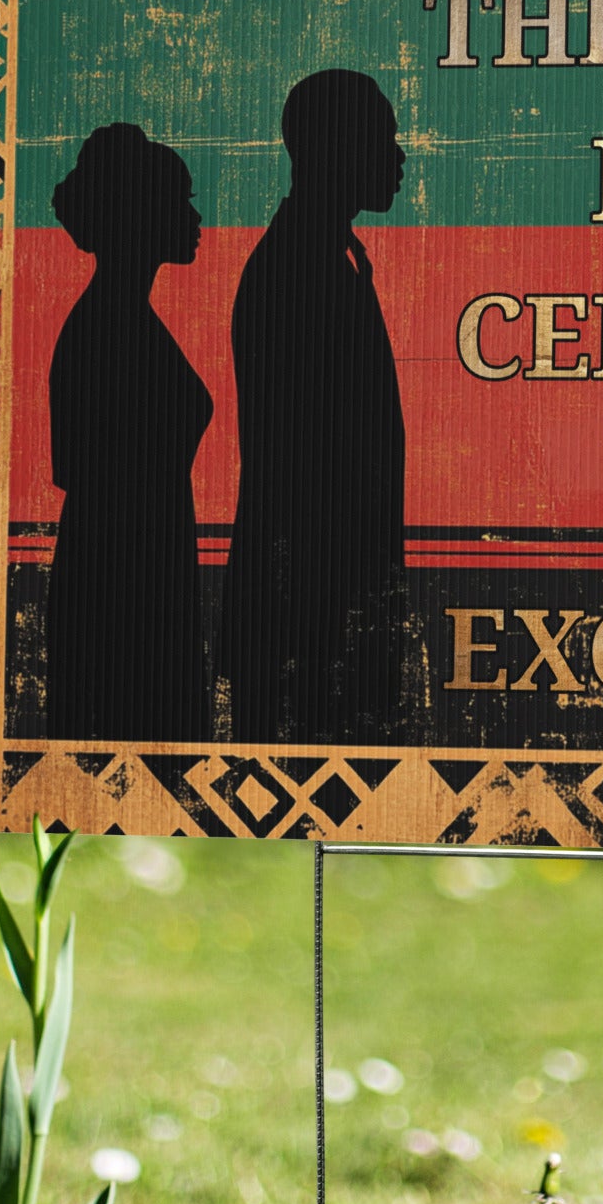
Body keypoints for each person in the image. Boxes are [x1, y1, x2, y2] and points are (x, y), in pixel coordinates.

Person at [218, 69, 407, 740]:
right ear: (336, 148)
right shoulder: (300, 267)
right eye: (383, 138)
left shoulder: (333, 257)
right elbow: (308, 463)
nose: (399, 156)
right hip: (305, 602)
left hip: (329, 594)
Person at [44, 124, 214, 740]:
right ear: (140, 213)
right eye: (181, 199)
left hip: (146, 563)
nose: (196, 217)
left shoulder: (126, 318)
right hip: (120, 583)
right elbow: (80, 469)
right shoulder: (106, 329)